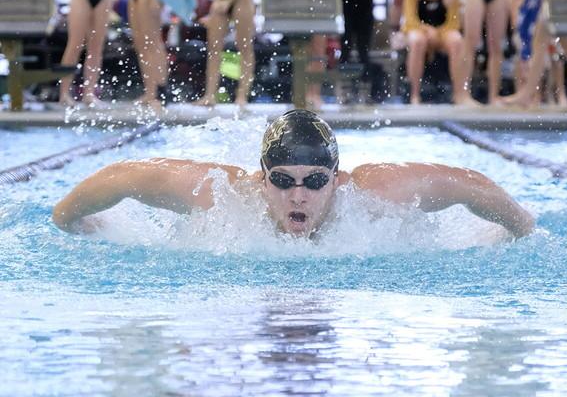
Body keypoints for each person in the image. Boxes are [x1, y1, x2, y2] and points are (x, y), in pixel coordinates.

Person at [52, 109, 534, 240]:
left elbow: (467, 185)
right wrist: (67, 217)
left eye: (314, 182)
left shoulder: (374, 191)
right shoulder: (226, 193)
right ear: (262, 178)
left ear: (337, 179)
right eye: (282, 181)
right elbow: (124, 176)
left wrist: (519, 227)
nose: (298, 196)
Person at [402, 0, 469, 105]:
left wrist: (437, 34)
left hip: (443, 32)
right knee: (417, 41)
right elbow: (410, 18)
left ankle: (458, 94)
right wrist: (426, 30)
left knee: (457, 41)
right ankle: (414, 94)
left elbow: (454, 22)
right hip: (419, 31)